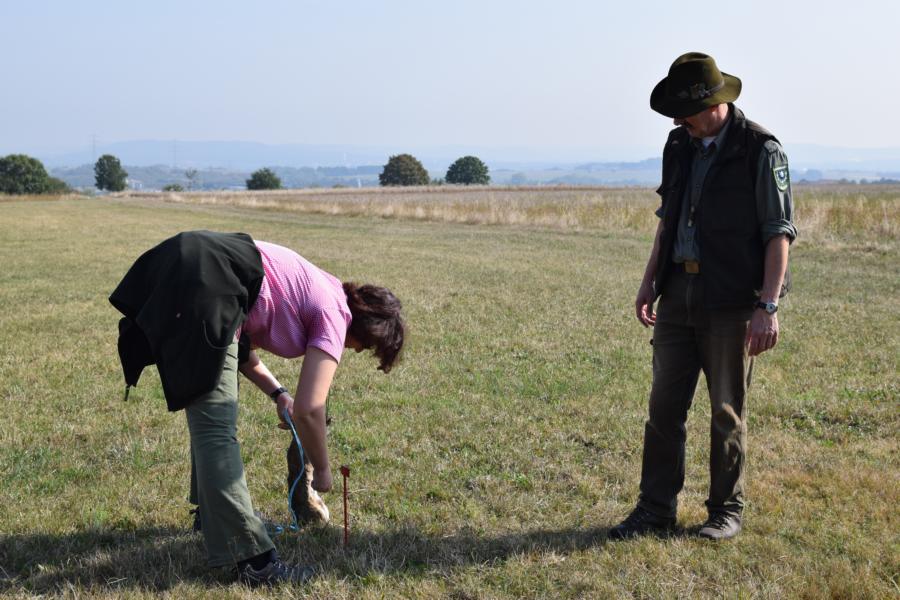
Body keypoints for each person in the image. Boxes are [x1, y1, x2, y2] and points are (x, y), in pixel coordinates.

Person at [110, 230, 405, 584]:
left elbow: (236, 342)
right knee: (216, 428)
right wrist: (323, 471)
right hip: (205, 284)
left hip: (187, 264)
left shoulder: (324, 287)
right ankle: (253, 560)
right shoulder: (334, 314)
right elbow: (311, 409)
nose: (353, 351)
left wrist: (278, 392)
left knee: (211, 410)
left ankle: (212, 514)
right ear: (366, 328)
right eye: (363, 347)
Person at [609, 53, 797, 541]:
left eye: (682, 110)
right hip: (678, 293)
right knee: (663, 409)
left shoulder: (760, 149)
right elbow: (667, 220)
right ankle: (654, 510)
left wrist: (768, 306)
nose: (676, 120)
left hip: (734, 300)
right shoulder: (679, 145)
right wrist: (649, 280)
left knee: (726, 410)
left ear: (712, 105)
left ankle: (725, 511)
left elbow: (779, 233)